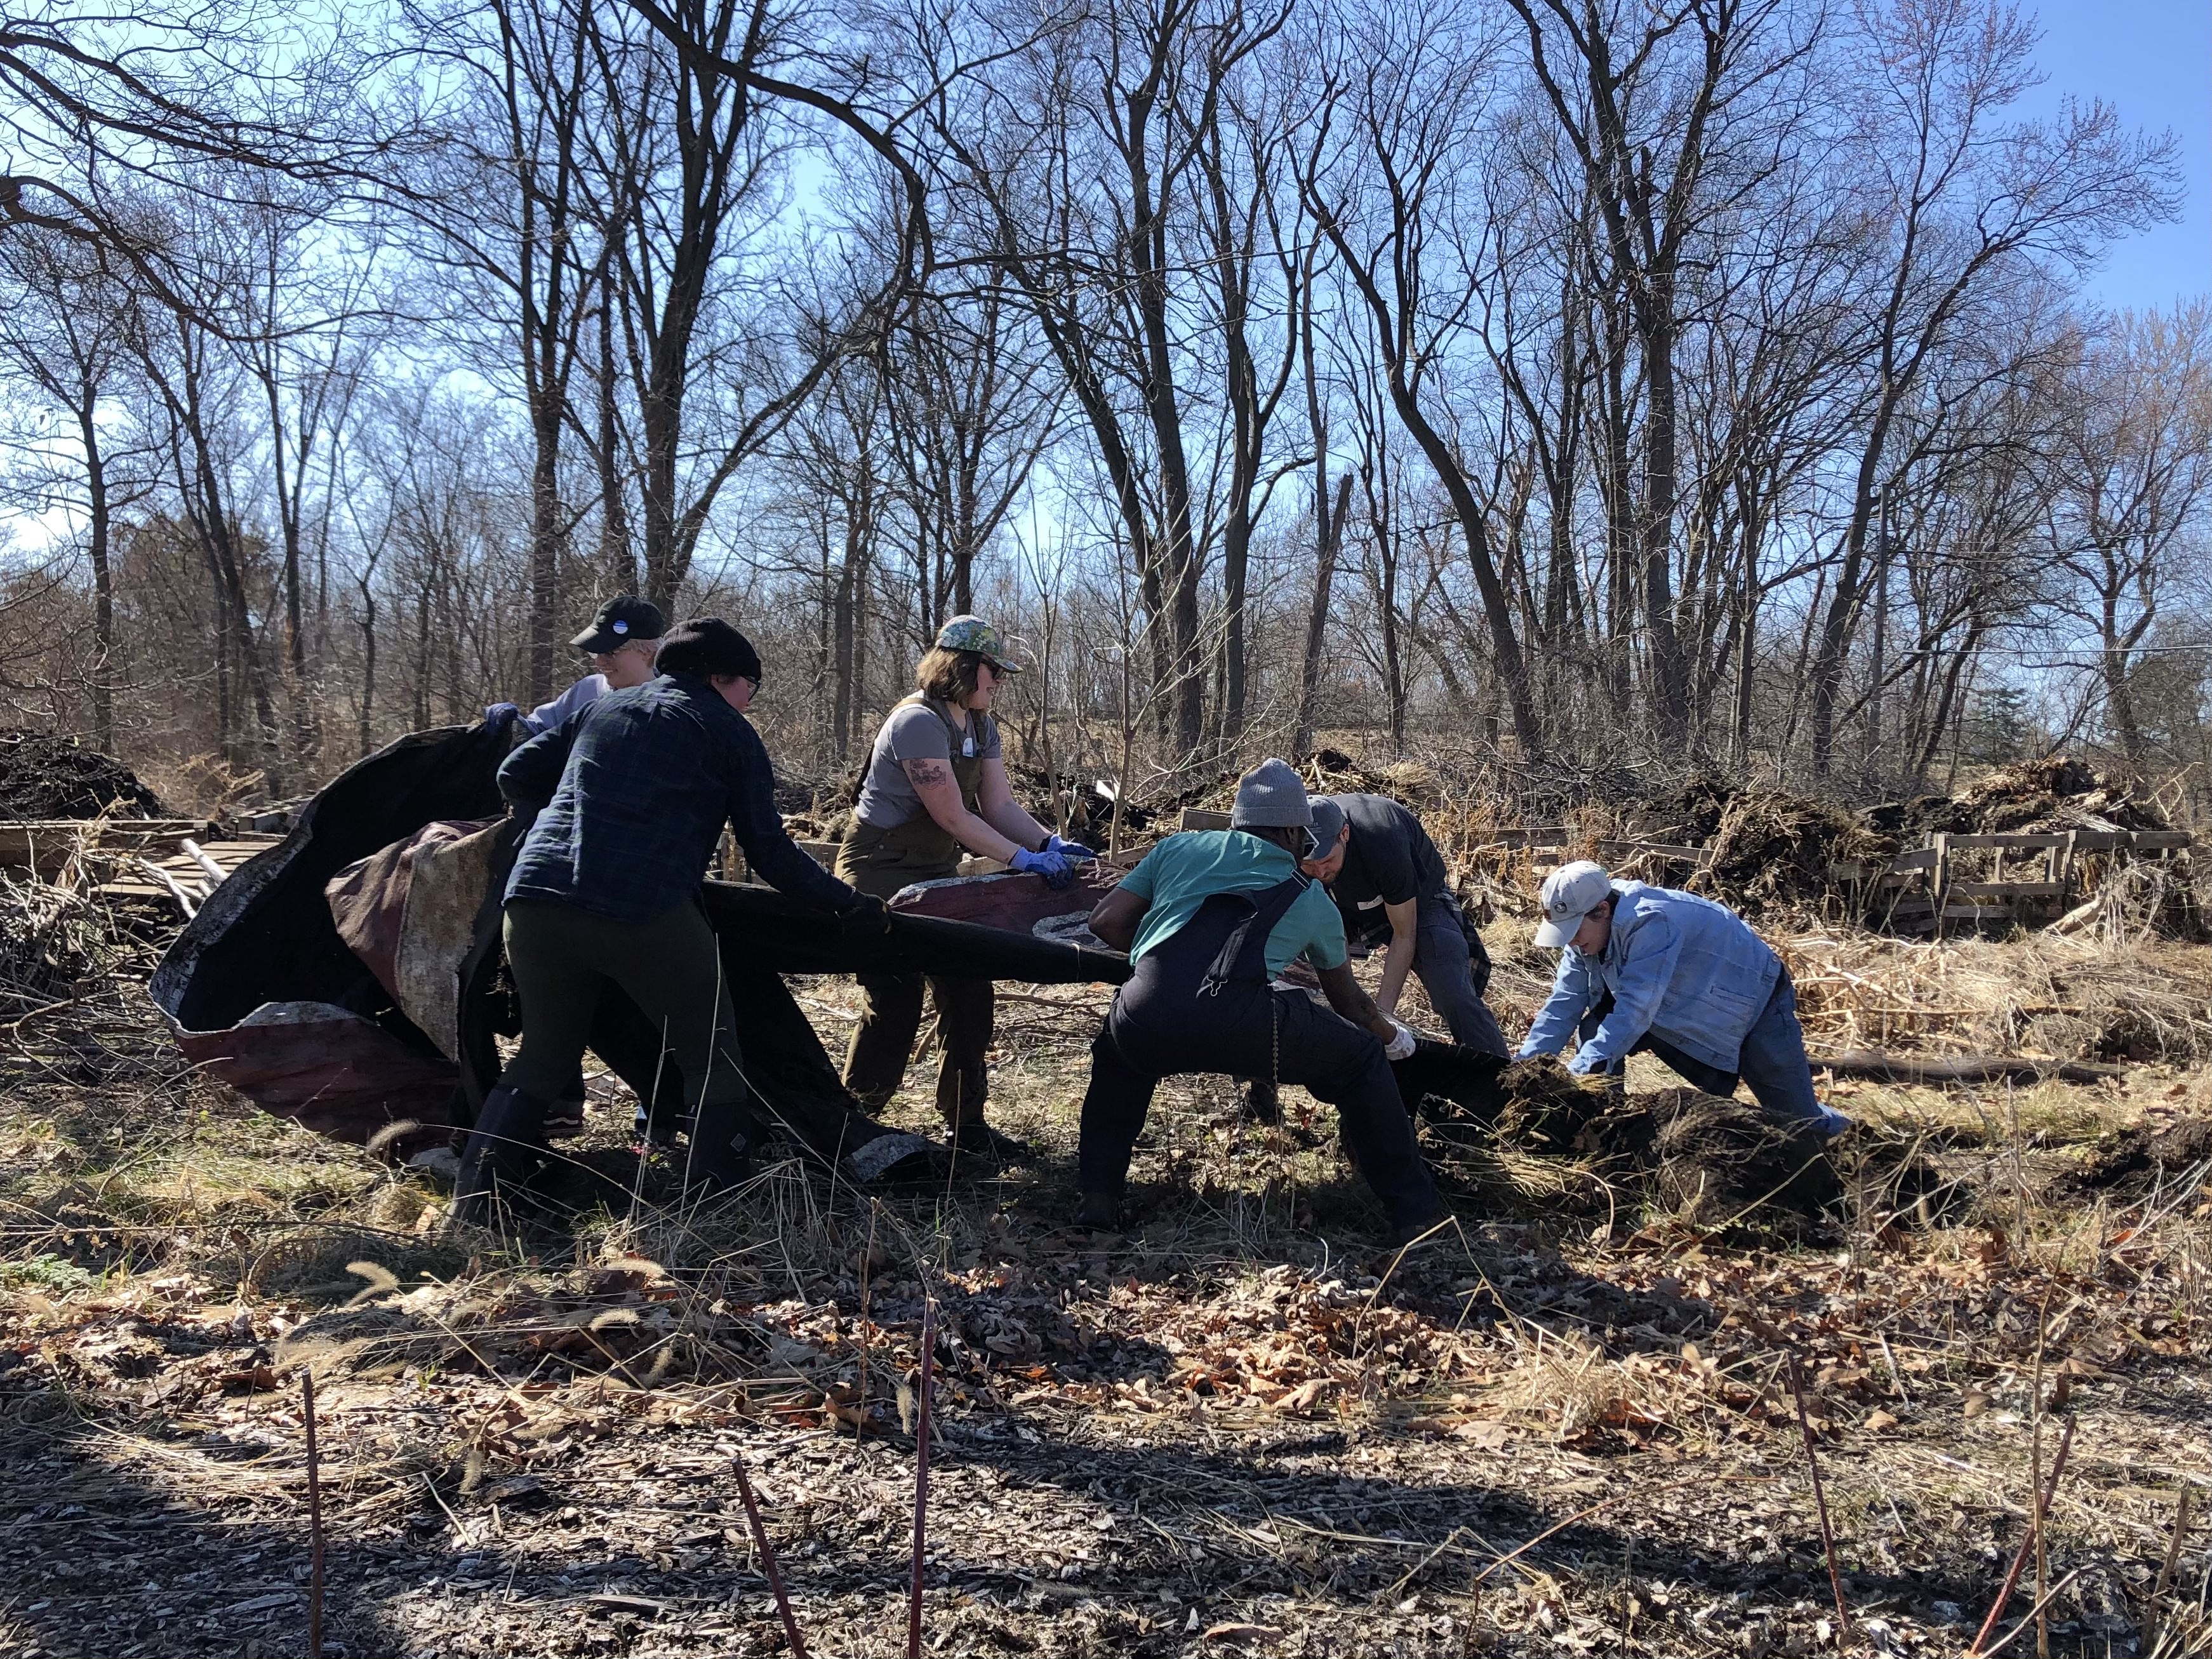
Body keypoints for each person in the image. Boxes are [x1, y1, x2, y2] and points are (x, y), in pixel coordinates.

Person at [455, 617, 888, 1224]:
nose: (748, 702)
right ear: (721, 679)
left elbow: (515, 773)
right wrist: (851, 906)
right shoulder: (727, 731)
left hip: (534, 904)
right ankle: (719, 1213)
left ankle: (473, 1207)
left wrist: (558, 821)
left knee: (545, 1056)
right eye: (749, 688)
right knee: (713, 1056)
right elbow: (772, 855)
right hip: (643, 909)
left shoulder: (604, 711)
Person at [1074, 759, 1447, 1245]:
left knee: (1119, 1052)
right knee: (1360, 1059)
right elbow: (1349, 1003)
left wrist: (1155, 962)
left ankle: (1097, 1198)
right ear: (1296, 830)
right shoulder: (1311, 897)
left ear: (1238, 819)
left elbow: (1105, 922)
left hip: (1148, 1010)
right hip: (1244, 1027)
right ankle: (1416, 1214)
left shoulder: (1177, 848)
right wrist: (1393, 1037)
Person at [836, 615, 1093, 1159]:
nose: (999, 681)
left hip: (935, 871)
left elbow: (997, 807)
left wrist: (1049, 844)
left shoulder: (982, 723)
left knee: (970, 985)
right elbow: (953, 816)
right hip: (880, 868)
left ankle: (967, 1124)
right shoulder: (917, 723)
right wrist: (1021, 859)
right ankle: (850, 1123)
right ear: (963, 667)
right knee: (896, 994)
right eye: (993, 670)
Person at [1516, 860, 1851, 1136]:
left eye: (1574, 931)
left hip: (1753, 1002)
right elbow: (1565, 1002)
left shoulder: (1651, 922)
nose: (1571, 942)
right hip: (1678, 1005)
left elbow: (1635, 1009)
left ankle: (1852, 1135)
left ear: (1602, 910)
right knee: (1595, 1028)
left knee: (1798, 1122)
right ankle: (1606, 1129)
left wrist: (1578, 1075)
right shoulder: (1586, 937)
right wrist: (1526, 1069)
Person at [1300, 793, 1509, 1057]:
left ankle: (1501, 1073)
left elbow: (1404, 935)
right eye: (1309, 864)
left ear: (1344, 834)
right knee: (1299, 977)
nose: (1319, 872)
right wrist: (1350, 1011)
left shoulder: (1382, 838)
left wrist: (1380, 1021)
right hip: (1344, 906)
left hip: (1418, 903)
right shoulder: (1294, 841)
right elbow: (1330, 941)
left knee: (1451, 990)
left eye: (1327, 861)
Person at [483, 596, 668, 737]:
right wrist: (513, 724)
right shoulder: (588, 690)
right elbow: (540, 731)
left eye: (610, 652)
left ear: (648, 652)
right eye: (595, 652)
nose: (599, 662)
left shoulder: (672, 705)